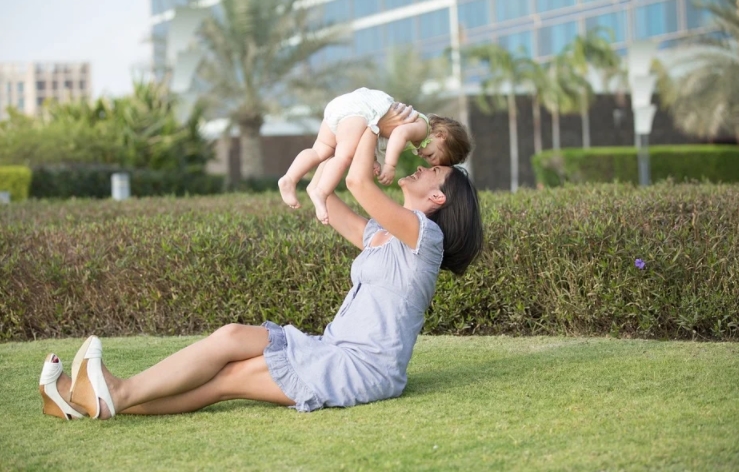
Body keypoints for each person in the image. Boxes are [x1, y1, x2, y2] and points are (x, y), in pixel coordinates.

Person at [37, 104, 484, 420]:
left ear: (437, 197)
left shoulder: (426, 237)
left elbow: (359, 182)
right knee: (231, 338)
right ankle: (84, 399)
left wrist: (372, 113)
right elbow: (329, 196)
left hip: (361, 369)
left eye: (434, 171)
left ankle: (110, 395)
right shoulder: (385, 236)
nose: (423, 166)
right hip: (329, 347)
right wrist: (338, 142)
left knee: (231, 378)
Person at [278, 87, 471, 224]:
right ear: (440, 136)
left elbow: (377, 137)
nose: (424, 159)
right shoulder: (422, 128)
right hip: (361, 111)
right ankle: (321, 191)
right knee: (344, 157)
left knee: (321, 150)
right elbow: (397, 133)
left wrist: (373, 160)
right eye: (431, 156)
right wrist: (389, 165)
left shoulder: (418, 133)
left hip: (344, 108)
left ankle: (289, 178)